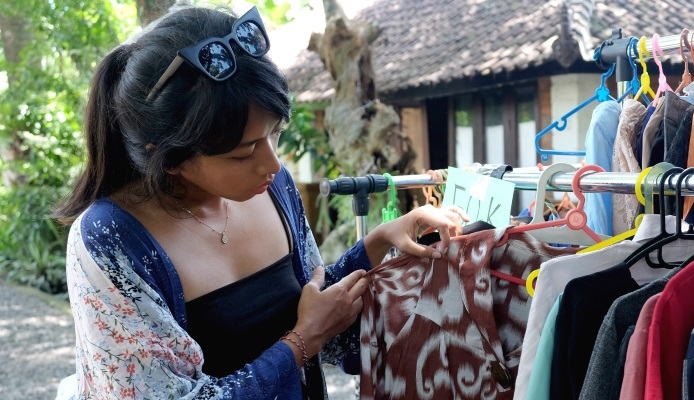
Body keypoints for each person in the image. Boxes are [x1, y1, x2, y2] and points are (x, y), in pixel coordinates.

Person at [53, 5, 467, 399]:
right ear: (168, 157)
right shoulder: (110, 239)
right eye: (242, 153)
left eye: (274, 134)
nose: (272, 164)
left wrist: (379, 242)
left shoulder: (273, 187)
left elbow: (313, 306)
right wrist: (301, 342)